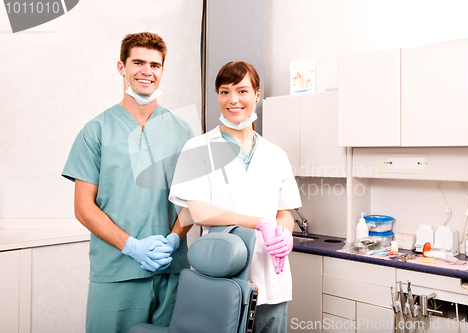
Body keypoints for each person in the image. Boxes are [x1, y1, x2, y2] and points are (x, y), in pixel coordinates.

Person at [61, 32, 194, 333]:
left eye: (155, 65)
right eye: (138, 62)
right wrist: (132, 247)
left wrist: (174, 239)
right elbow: (83, 207)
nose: (147, 71)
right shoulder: (96, 131)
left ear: (162, 71)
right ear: (122, 67)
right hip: (116, 274)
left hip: (172, 272)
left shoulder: (183, 131)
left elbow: (192, 202)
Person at [169, 61, 301, 333]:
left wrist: (285, 234)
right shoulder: (198, 148)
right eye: (224, 91)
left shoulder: (276, 155)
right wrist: (259, 222)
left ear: (256, 95)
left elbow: (284, 212)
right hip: (220, 278)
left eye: (242, 91)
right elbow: (199, 213)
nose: (233, 100)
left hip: (270, 277)